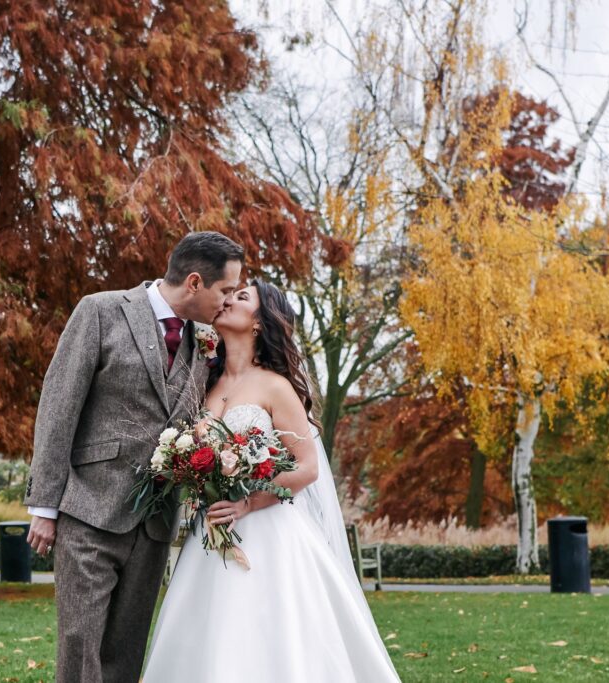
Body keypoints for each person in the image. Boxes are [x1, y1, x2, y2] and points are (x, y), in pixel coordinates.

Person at [142, 279, 402, 682]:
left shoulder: (276, 387)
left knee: (267, 638)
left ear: (260, 322)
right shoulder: (203, 383)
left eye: (241, 297)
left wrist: (249, 502)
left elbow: (307, 466)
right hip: (212, 535)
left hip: (270, 535)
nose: (227, 299)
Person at [23, 231, 244, 683]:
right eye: (225, 291)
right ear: (196, 282)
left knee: (126, 649)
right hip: (88, 509)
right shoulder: (101, 311)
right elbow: (58, 406)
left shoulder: (205, 342)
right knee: (80, 643)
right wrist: (44, 507)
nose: (227, 302)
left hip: (155, 520)